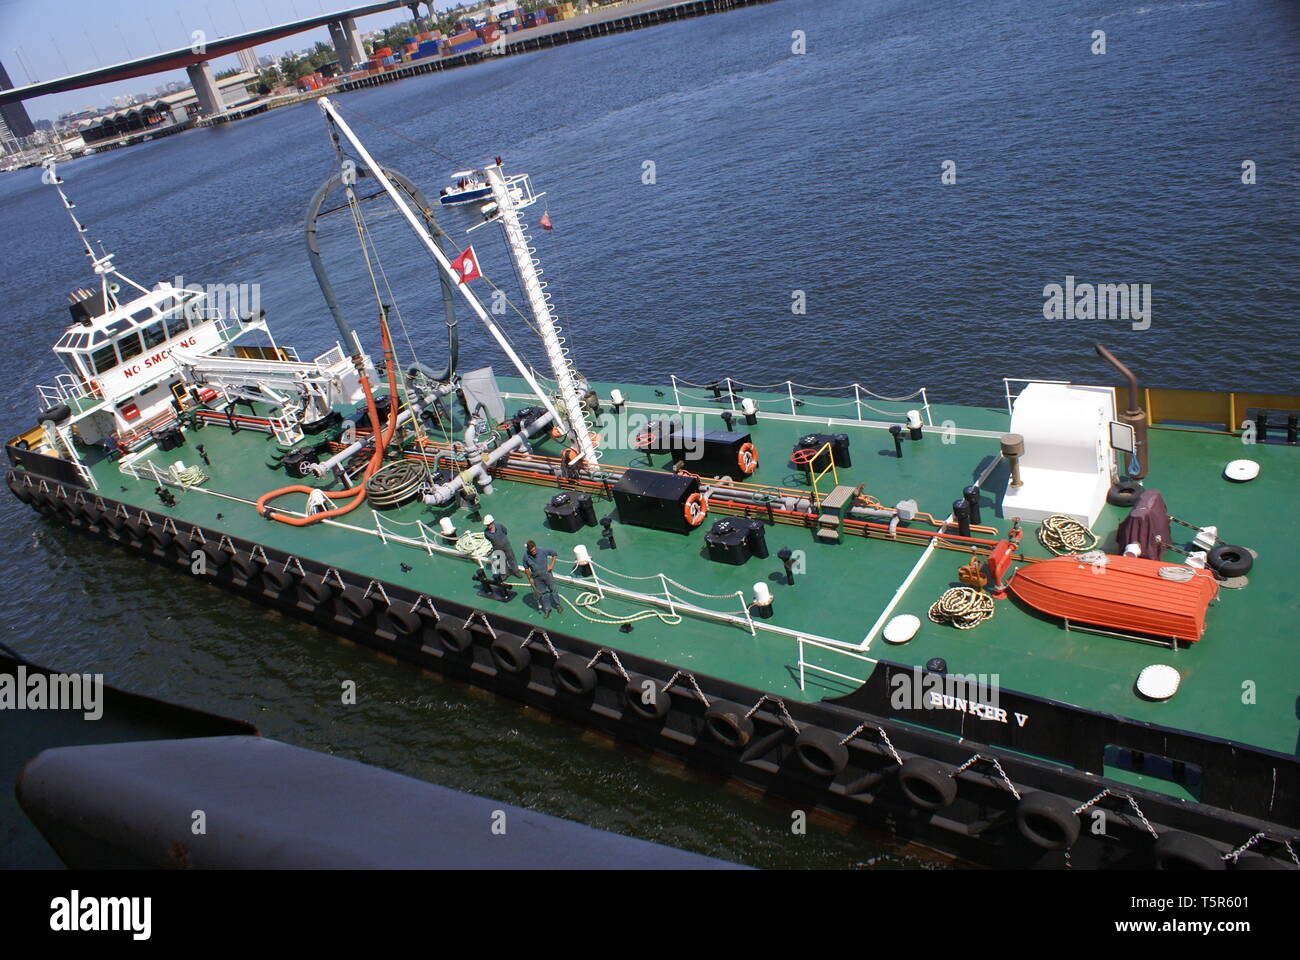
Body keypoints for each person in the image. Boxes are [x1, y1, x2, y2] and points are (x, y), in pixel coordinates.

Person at [522, 540, 560, 618]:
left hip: (547, 575)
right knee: (543, 594)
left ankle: (558, 605)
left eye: (534, 549)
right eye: (531, 551)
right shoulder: (525, 556)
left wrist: (551, 565)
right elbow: (526, 569)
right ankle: (547, 609)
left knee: (553, 589)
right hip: (537, 578)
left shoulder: (542, 550)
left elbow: (554, 553)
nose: (534, 552)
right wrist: (530, 578)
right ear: (528, 550)